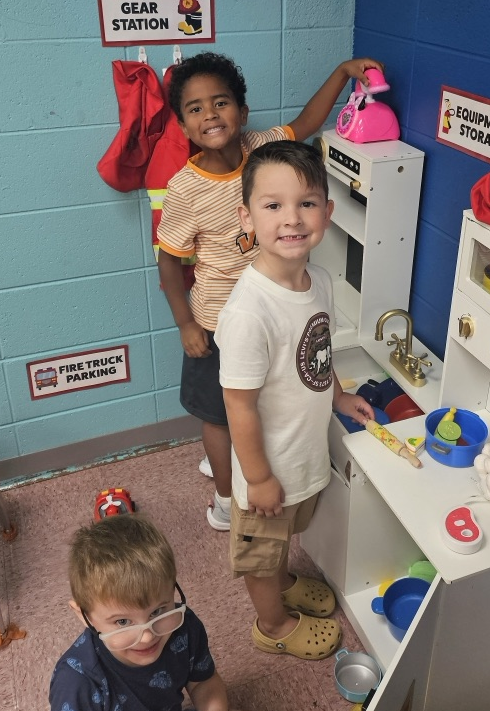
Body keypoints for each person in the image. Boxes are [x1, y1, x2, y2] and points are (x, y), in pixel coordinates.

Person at [157, 52, 383, 532]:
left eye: (221, 103)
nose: (210, 115)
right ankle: (225, 495)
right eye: (195, 108)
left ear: (241, 109)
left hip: (278, 311)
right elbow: (169, 259)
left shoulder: (263, 150)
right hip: (218, 324)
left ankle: (243, 461)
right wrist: (186, 324)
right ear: (181, 124)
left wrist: (342, 73)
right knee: (221, 415)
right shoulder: (184, 188)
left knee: (268, 403)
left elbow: (307, 120)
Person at [215, 140, 375, 659]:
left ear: (327, 213)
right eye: (273, 205)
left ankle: (284, 581)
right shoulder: (249, 312)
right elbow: (237, 406)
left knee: (284, 539)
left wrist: (338, 397)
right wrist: (258, 477)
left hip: (302, 455)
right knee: (261, 554)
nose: (292, 218)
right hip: (267, 467)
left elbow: (319, 355)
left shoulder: (320, 281)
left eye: (307, 203)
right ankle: (274, 623)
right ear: (247, 216)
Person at [49, 514, 278, 711]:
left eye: (159, 610)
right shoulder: (77, 681)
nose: (147, 637)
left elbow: (204, 683)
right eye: (123, 622)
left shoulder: (183, 626)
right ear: (83, 614)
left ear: (173, 590)